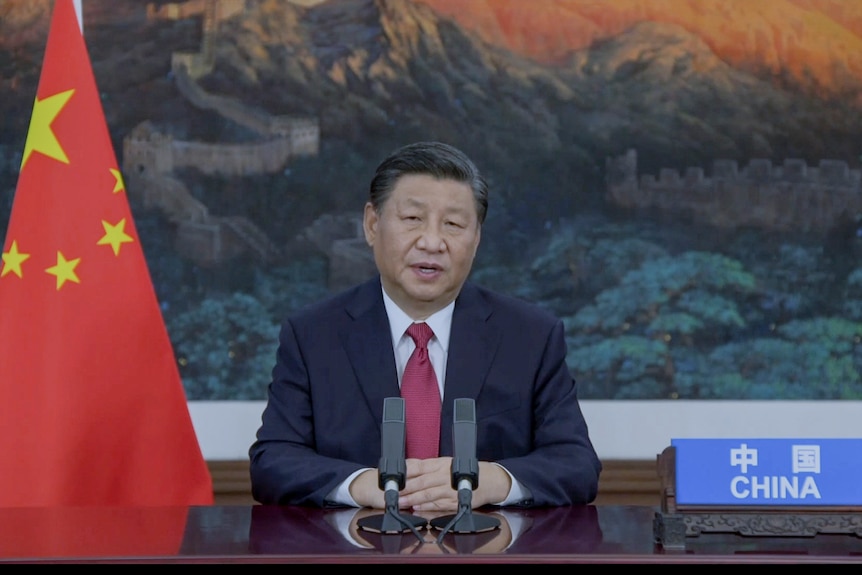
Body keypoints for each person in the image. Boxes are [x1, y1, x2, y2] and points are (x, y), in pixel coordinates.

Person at [249, 141, 602, 511]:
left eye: (453, 224)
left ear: (477, 238)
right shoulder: (313, 336)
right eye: (413, 219)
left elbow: (576, 464)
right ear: (372, 224)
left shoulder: (530, 337)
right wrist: (360, 485)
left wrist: (493, 480)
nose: (432, 242)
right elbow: (273, 462)